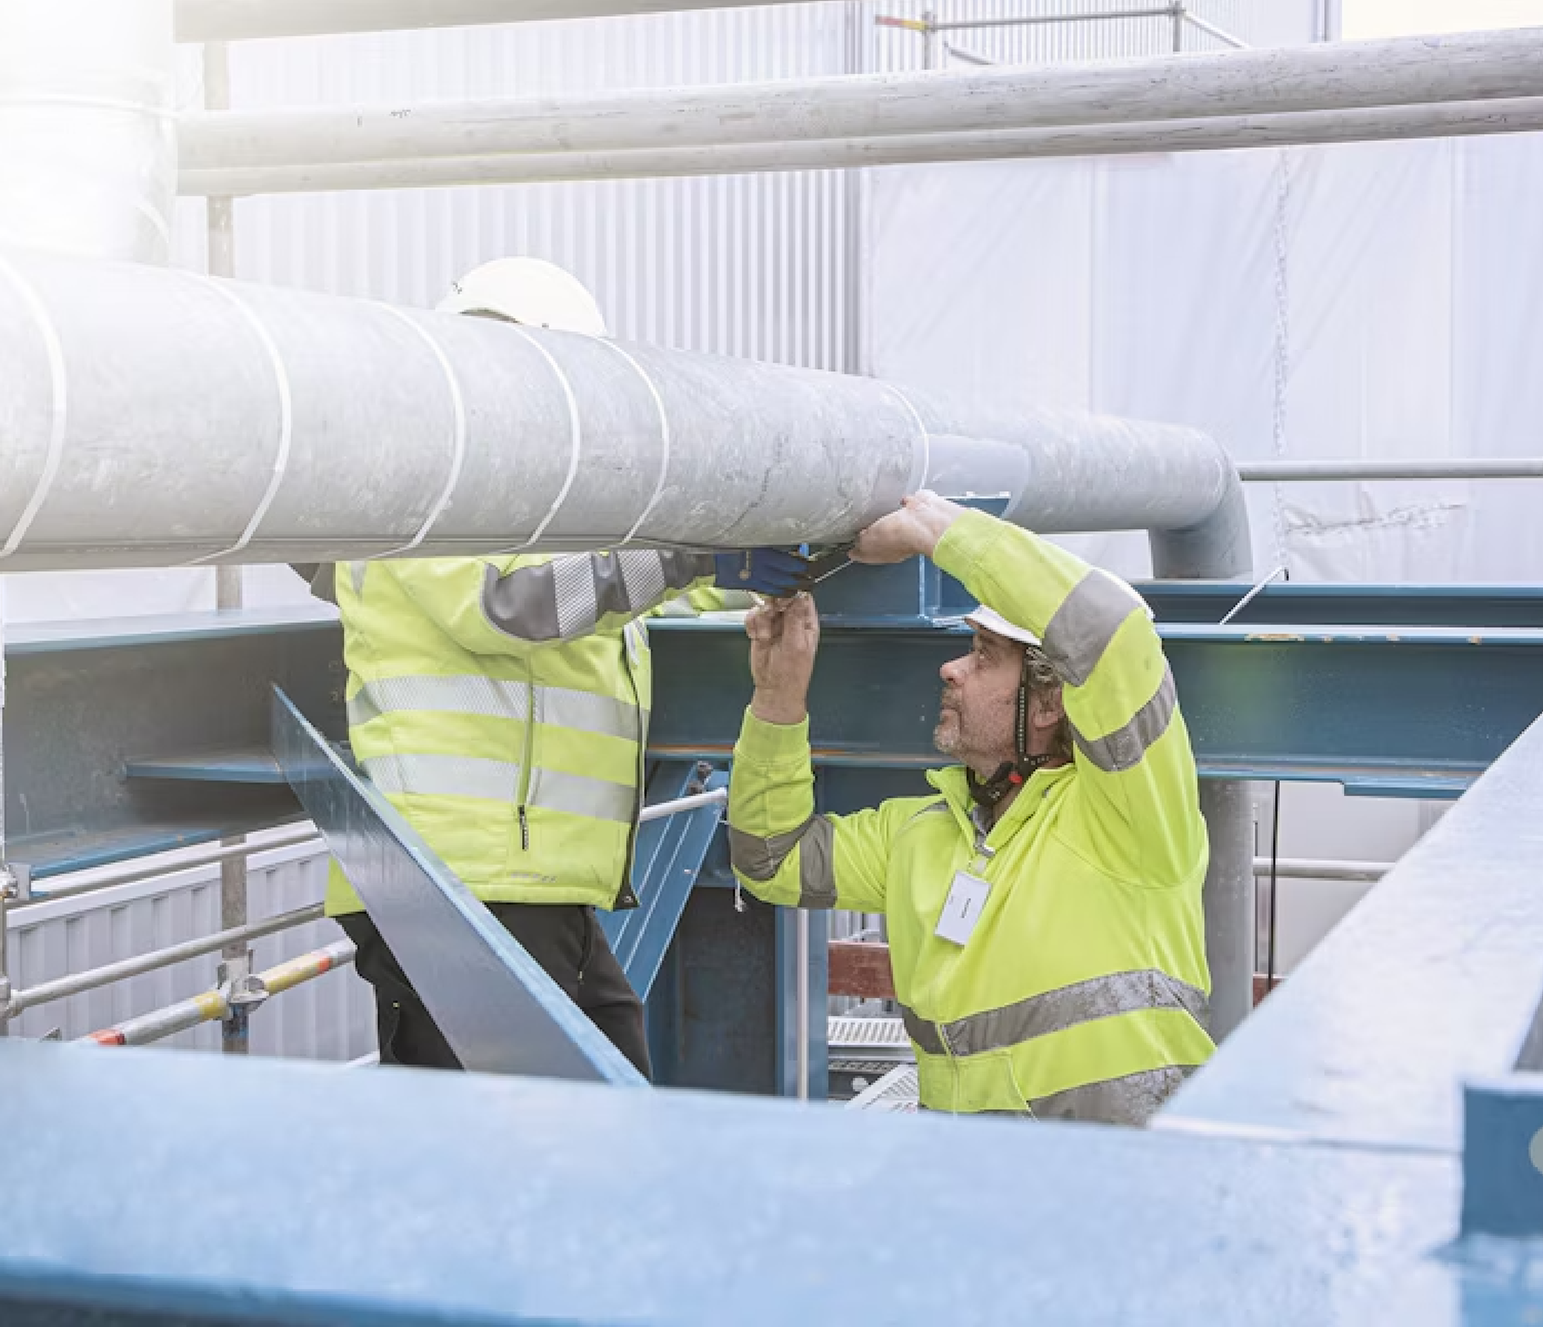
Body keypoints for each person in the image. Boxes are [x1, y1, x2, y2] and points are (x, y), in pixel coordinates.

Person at [316, 257, 814, 1078]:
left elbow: (620, 602)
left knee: (598, 1109)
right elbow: (513, 601)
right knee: (511, 1139)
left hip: (524, 883)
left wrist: (753, 577)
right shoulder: (421, 483)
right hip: (456, 883)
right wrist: (692, 555)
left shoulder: (528, 511)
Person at [729, 491, 1214, 1123]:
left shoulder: (1127, 815)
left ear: (1049, 703)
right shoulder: (920, 835)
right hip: (966, 1175)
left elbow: (1110, 632)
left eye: (984, 655)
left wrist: (935, 528)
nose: (951, 669)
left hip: (1120, 1177)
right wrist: (777, 695)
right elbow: (771, 859)